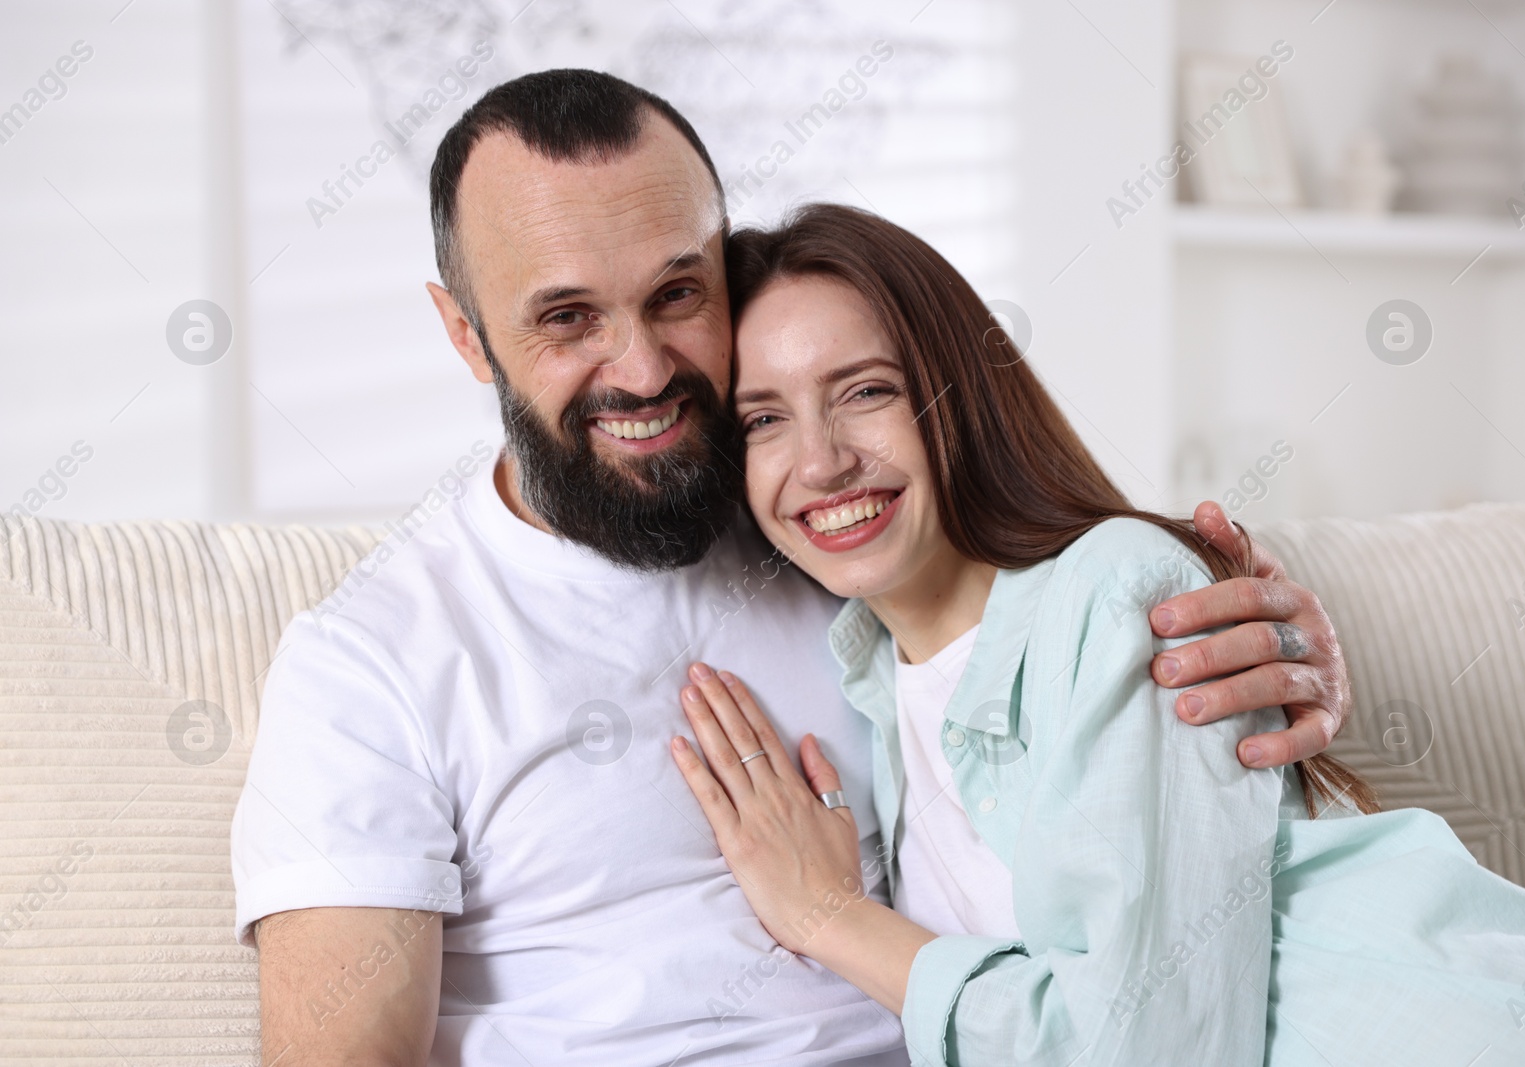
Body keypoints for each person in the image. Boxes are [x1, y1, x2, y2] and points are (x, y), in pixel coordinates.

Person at [232, 70, 1360, 1066]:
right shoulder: (370, 663)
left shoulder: (830, 526)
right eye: (567, 317)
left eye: (678, 293)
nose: (640, 367)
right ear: (466, 334)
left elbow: (1077, 610)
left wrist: (1267, 646)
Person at [667, 203, 1525, 1067]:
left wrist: (830, 916)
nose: (822, 461)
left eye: (867, 390)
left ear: (959, 398)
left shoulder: (1119, 591)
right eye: (761, 419)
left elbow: (1148, 1047)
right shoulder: (865, 675)